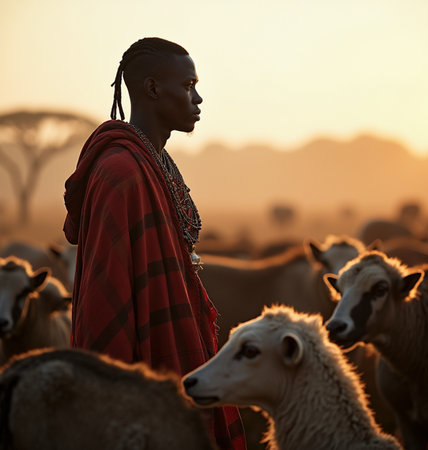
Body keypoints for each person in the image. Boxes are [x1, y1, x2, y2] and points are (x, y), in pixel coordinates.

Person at [63, 37, 246, 449]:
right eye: (188, 85)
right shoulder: (120, 172)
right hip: (142, 359)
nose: (198, 99)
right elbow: (102, 294)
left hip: (177, 333)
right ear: (151, 89)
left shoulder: (156, 162)